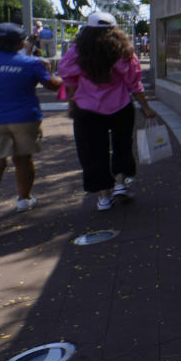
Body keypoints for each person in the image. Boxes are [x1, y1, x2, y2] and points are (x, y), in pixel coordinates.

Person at [58, 11, 157, 211]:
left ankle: (104, 196)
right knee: (122, 145)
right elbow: (134, 83)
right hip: (120, 107)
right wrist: (145, 107)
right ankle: (120, 183)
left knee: (93, 151)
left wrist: (71, 105)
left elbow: (69, 80)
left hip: (87, 109)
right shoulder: (123, 51)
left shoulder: (77, 51)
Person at [0, 23, 63, 233]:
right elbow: (53, 85)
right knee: (23, 159)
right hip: (24, 117)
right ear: (21, 42)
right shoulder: (31, 63)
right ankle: (24, 199)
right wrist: (50, 71)